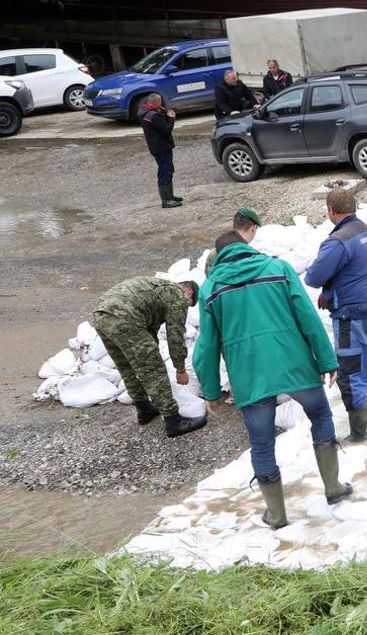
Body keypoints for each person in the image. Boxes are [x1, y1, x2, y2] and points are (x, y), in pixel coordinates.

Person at [193, 232, 352, 530]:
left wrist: (212, 391)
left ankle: (277, 515)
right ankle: (333, 488)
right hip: (296, 365)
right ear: (246, 248)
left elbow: (207, 346)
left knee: (262, 444)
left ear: (219, 257)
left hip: (250, 377)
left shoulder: (211, 288)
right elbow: (307, 315)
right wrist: (327, 360)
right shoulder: (278, 269)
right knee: (320, 415)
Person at [303, 187, 367, 442]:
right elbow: (353, 270)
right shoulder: (366, 231)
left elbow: (314, 277)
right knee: (365, 360)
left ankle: (358, 435)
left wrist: (326, 287)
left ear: (330, 210)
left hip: (350, 314)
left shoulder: (338, 240)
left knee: (350, 373)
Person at [91, 276, 208, 437]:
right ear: (189, 291)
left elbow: (150, 326)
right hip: (124, 316)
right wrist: (180, 368)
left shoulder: (158, 288)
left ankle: (144, 409)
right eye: (190, 303)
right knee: (153, 369)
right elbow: (175, 336)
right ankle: (174, 421)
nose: (186, 306)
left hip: (101, 315)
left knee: (127, 365)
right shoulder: (178, 296)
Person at [138, 93, 182, 209]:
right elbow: (166, 129)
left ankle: (170, 196)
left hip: (158, 146)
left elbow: (161, 126)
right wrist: (172, 118)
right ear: (158, 102)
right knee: (165, 171)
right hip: (161, 147)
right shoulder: (153, 115)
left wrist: (166, 116)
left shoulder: (147, 112)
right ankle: (166, 200)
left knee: (167, 170)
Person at [204, 208, 263, 276]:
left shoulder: (214, 253)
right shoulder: (253, 256)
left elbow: (209, 278)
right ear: (253, 228)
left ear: (234, 225)